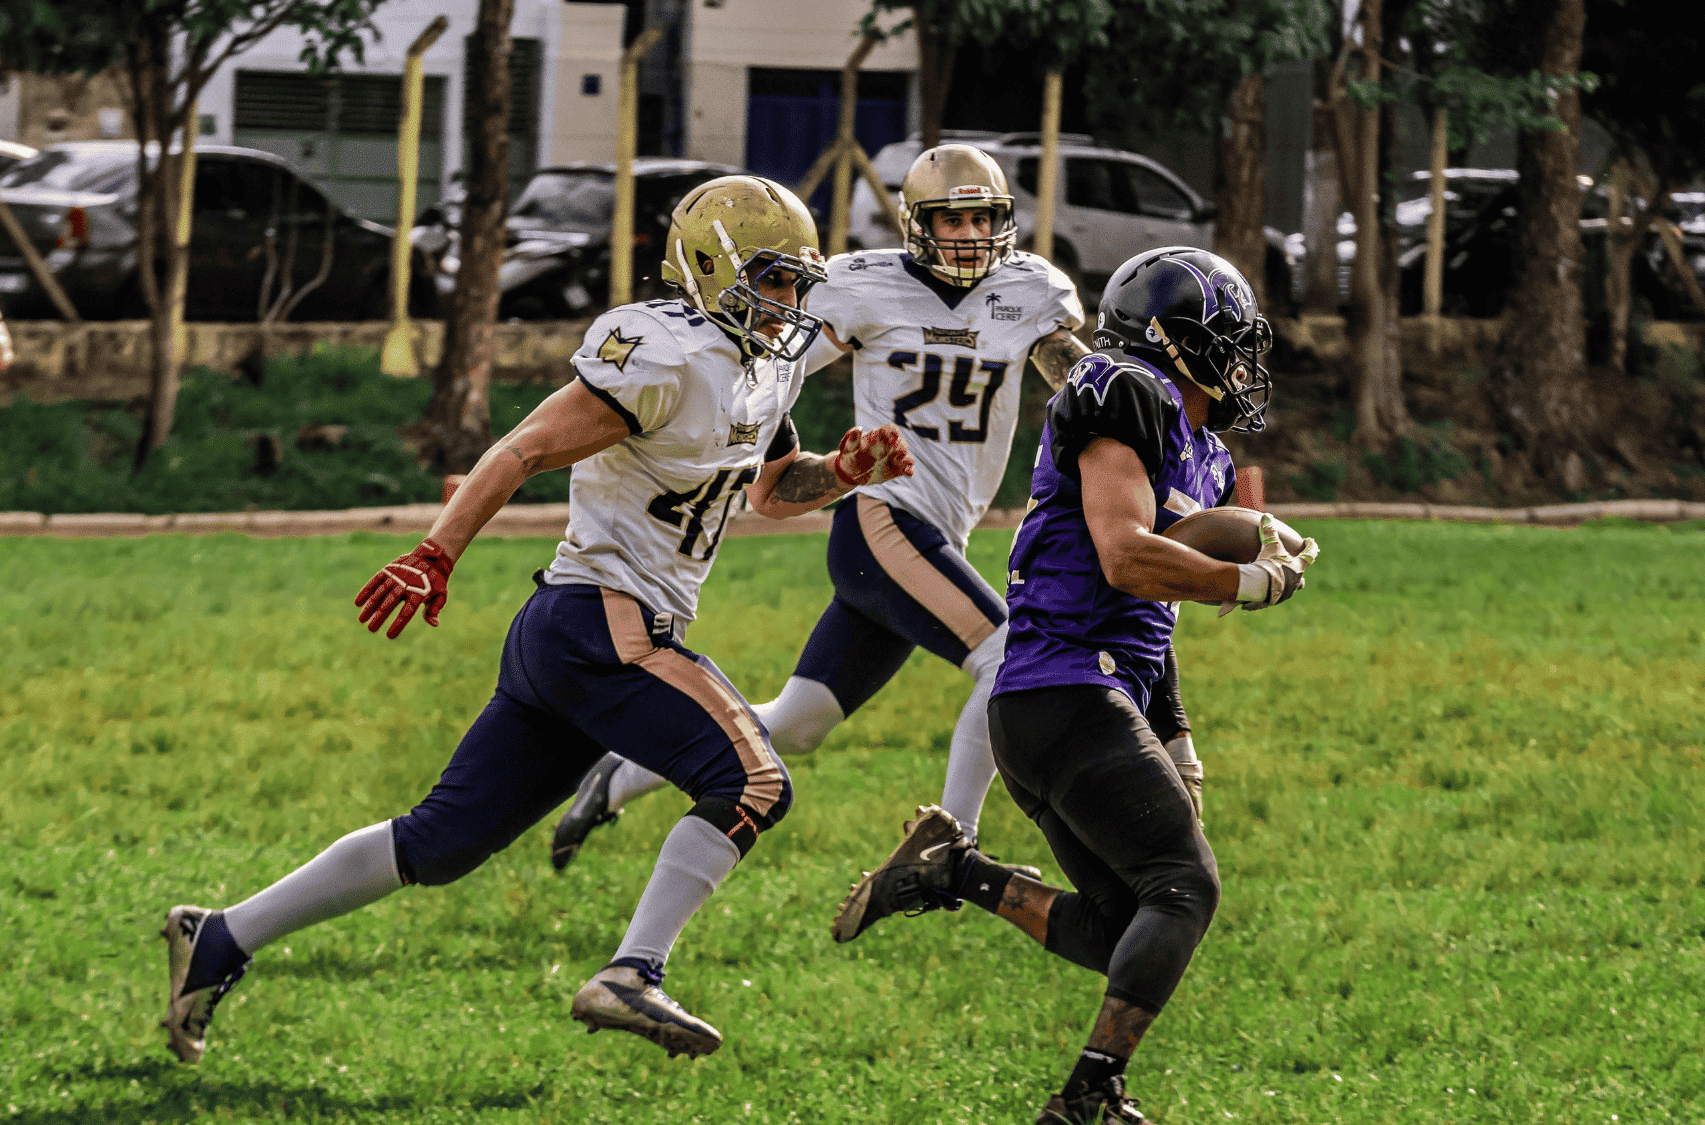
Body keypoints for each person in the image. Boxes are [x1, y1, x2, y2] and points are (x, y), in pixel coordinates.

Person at [157, 175, 915, 1066]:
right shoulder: (662, 353)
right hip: (603, 620)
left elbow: (773, 488)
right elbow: (522, 448)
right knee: (755, 782)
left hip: (575, 634)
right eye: (772, 279)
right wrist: (436, 552)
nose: (788, 302)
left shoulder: (766, 363)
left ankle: (220, 936)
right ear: (709, 269)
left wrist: (843, 471)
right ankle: (634, 970)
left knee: (437, 845)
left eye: (796, 281)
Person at [546, 144, 1203, 871]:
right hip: (883, 518)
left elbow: (1082, 387)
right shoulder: (861, 284)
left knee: (798, 722)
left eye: (983, 217)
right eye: (950, 219)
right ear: (915, 222)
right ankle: (951, 843)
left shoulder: (1030, 290)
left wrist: (1141, 441)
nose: (969, 235)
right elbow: (770, 363)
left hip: (932, 535)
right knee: (1010, 655)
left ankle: (618, 773)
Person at [826, 247, 1319, 1124]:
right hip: (1064, 689)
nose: (1243, 364)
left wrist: (1180, 735)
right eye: (1227, 342)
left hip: (1076, 699)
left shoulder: (1193, 443)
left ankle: (955, 874)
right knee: (1185, 888)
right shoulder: (1122, 390)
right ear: (1171, 341)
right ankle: (1089, 1094)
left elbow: (1167, 574)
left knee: (1125, 919)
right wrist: (1246, 580)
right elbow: (1128, 557)